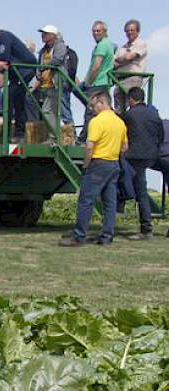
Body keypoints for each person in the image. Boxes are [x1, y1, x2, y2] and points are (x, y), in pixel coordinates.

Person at [60, 91, 127, 247]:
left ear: (102, 103)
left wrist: (86, 164)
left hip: (98, 163)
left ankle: (79, 236)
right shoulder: (120, 122)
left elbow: (89, 146)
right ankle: (107, 236)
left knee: (86, 201)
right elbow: (125, 147)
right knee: (110, 203)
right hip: (113, 164)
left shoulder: (97, 122)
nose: (91, 108)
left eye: (93, 104)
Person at [0, 23, 38, 142]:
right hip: (16, 75)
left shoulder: (4, 37)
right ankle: (14, 134)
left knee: (12, 98)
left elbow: (4, 59)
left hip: (25, 72)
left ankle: (10, 135)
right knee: (16, 101)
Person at [122, 87, 164, 240]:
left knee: (140, 192)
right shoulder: (154, 114)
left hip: (134, 157)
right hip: (151, 156)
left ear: (131, 99)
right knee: (140, 190)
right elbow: (160, 135)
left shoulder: (129, 115)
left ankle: (146, 229)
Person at [78, 21, 117, 141]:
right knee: (98, 110)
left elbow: (96, 66)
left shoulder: (102, 45)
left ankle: (84, 138)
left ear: (105, 32)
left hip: (97, 83)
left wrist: (88, 82)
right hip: (102, 82)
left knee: (91, 111)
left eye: (98, 31)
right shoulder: (108, 45)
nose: (95, 33)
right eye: (94, 31)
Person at [114, 19, 148, 112]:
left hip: (133, 77)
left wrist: (122, 59)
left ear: (138, 31)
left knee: (132, 104)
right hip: (120, 79)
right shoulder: (122, 47)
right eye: (127, 30)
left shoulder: (141, 44)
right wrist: (125, 59)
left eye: (132, 30)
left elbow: (129, 57)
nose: (129, 32)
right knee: (119, 107)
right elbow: (113, 63)